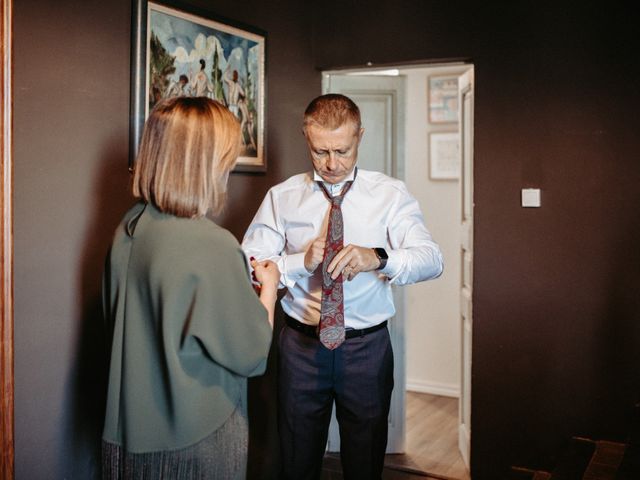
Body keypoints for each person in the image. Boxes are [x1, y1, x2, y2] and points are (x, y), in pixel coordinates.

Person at [242, 93, 444, 479]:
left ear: (360, 137)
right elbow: (249, 267)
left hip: (367, 350)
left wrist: (379, 258)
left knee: (365, 461)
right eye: (320, 152)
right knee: (296, 459)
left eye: (342, 150)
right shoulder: (282, 198)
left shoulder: (390, 194)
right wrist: (300, 262)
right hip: (299, 347)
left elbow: (433, 259)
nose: (332, 164)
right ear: (306, 138)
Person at [102, 97, 279, 479]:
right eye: (227, 156)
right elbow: (251, 354)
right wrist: (269, 287)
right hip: (196, 434)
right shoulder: (211, 244)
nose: (230, 165)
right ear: (205, 163)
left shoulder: (128, 227)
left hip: (126, 432)